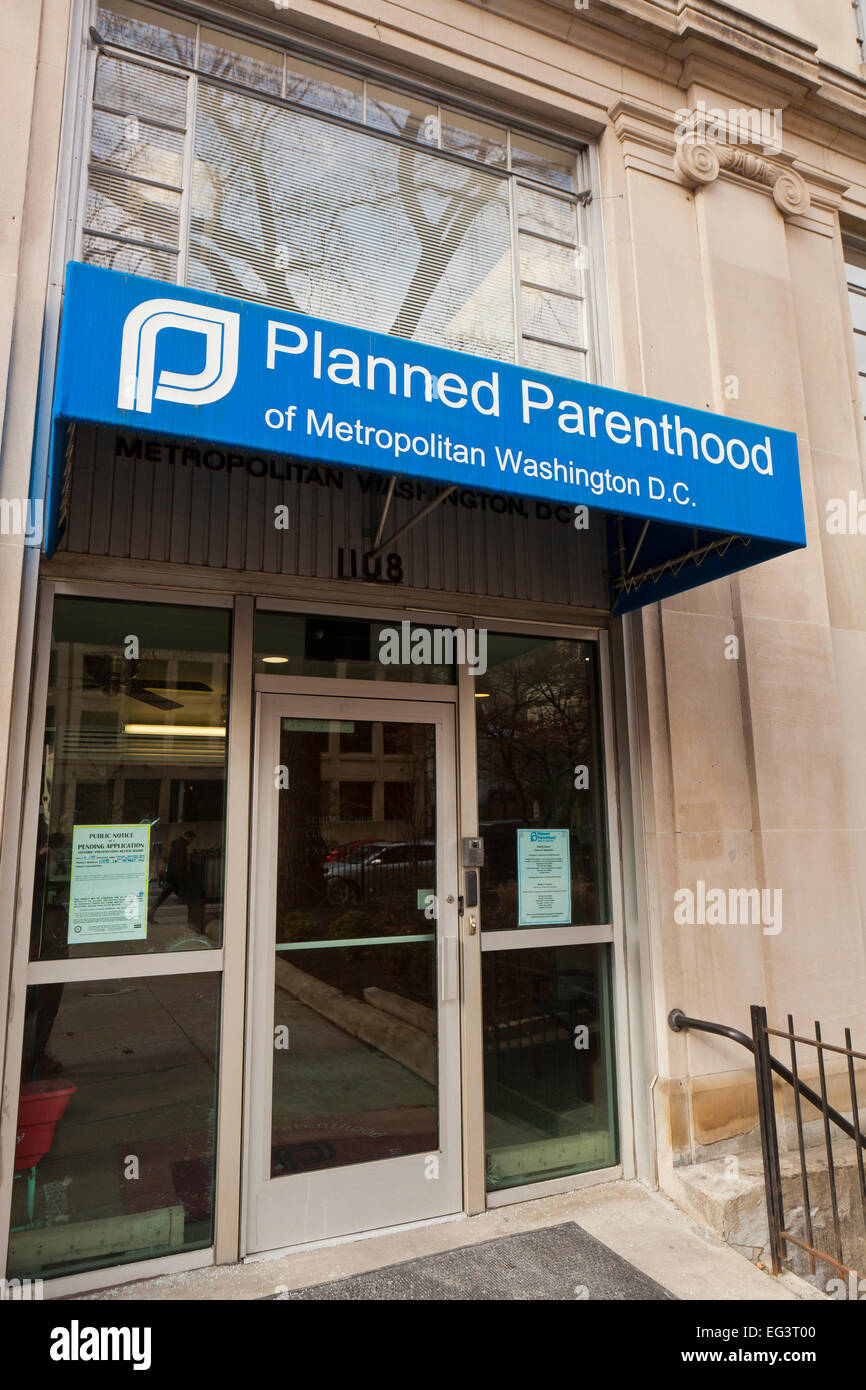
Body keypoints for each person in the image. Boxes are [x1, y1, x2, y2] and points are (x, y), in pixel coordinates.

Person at [149, 830, 196, 920]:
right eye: (191, 839)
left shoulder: (176, 844)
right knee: (188, 898)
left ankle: (150, 914)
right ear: (188, 837)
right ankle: (194, 918)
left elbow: (173, 862)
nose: (191, 842)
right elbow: (180, 863)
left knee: (163, 897)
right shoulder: (182, 846)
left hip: (172, 877)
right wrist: (182, 878)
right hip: (177, 878)